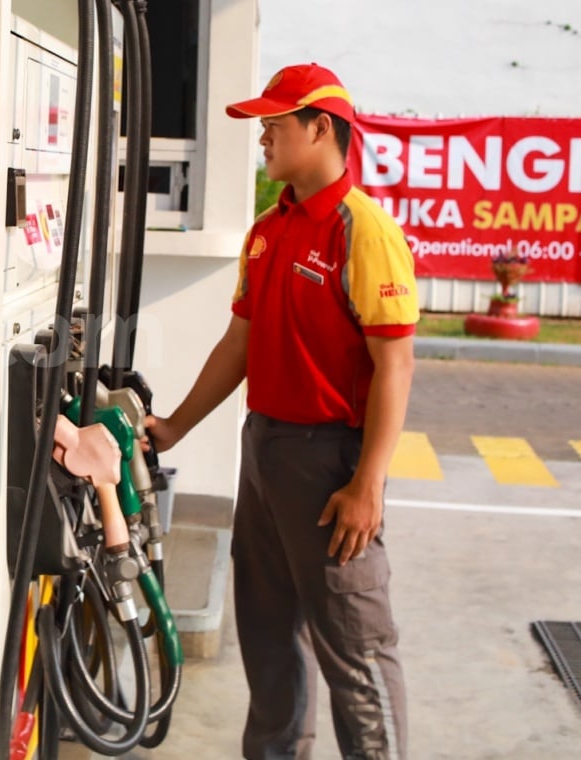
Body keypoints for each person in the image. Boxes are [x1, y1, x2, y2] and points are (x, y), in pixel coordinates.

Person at [145, 63, 417, 760]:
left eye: (274, 126)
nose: (263, 139)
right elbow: (239, 342)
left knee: (355, 645)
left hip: (329, 463)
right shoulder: (268, 230)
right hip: (263, 448)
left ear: (320, 128)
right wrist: (173, 426)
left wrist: (368, 484)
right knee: (268, 637)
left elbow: (395, 364)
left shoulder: (364, 231)